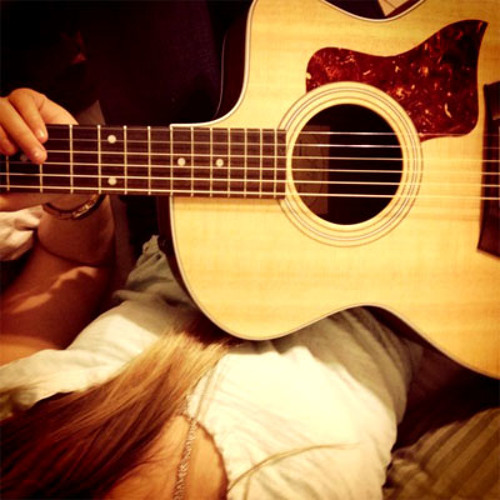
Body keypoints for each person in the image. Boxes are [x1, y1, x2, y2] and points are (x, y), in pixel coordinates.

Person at [0, 87, 427, 499]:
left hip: (188, 202)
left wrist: (70, 182)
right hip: (401, 273)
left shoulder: (9, 421)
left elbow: (70, 261)